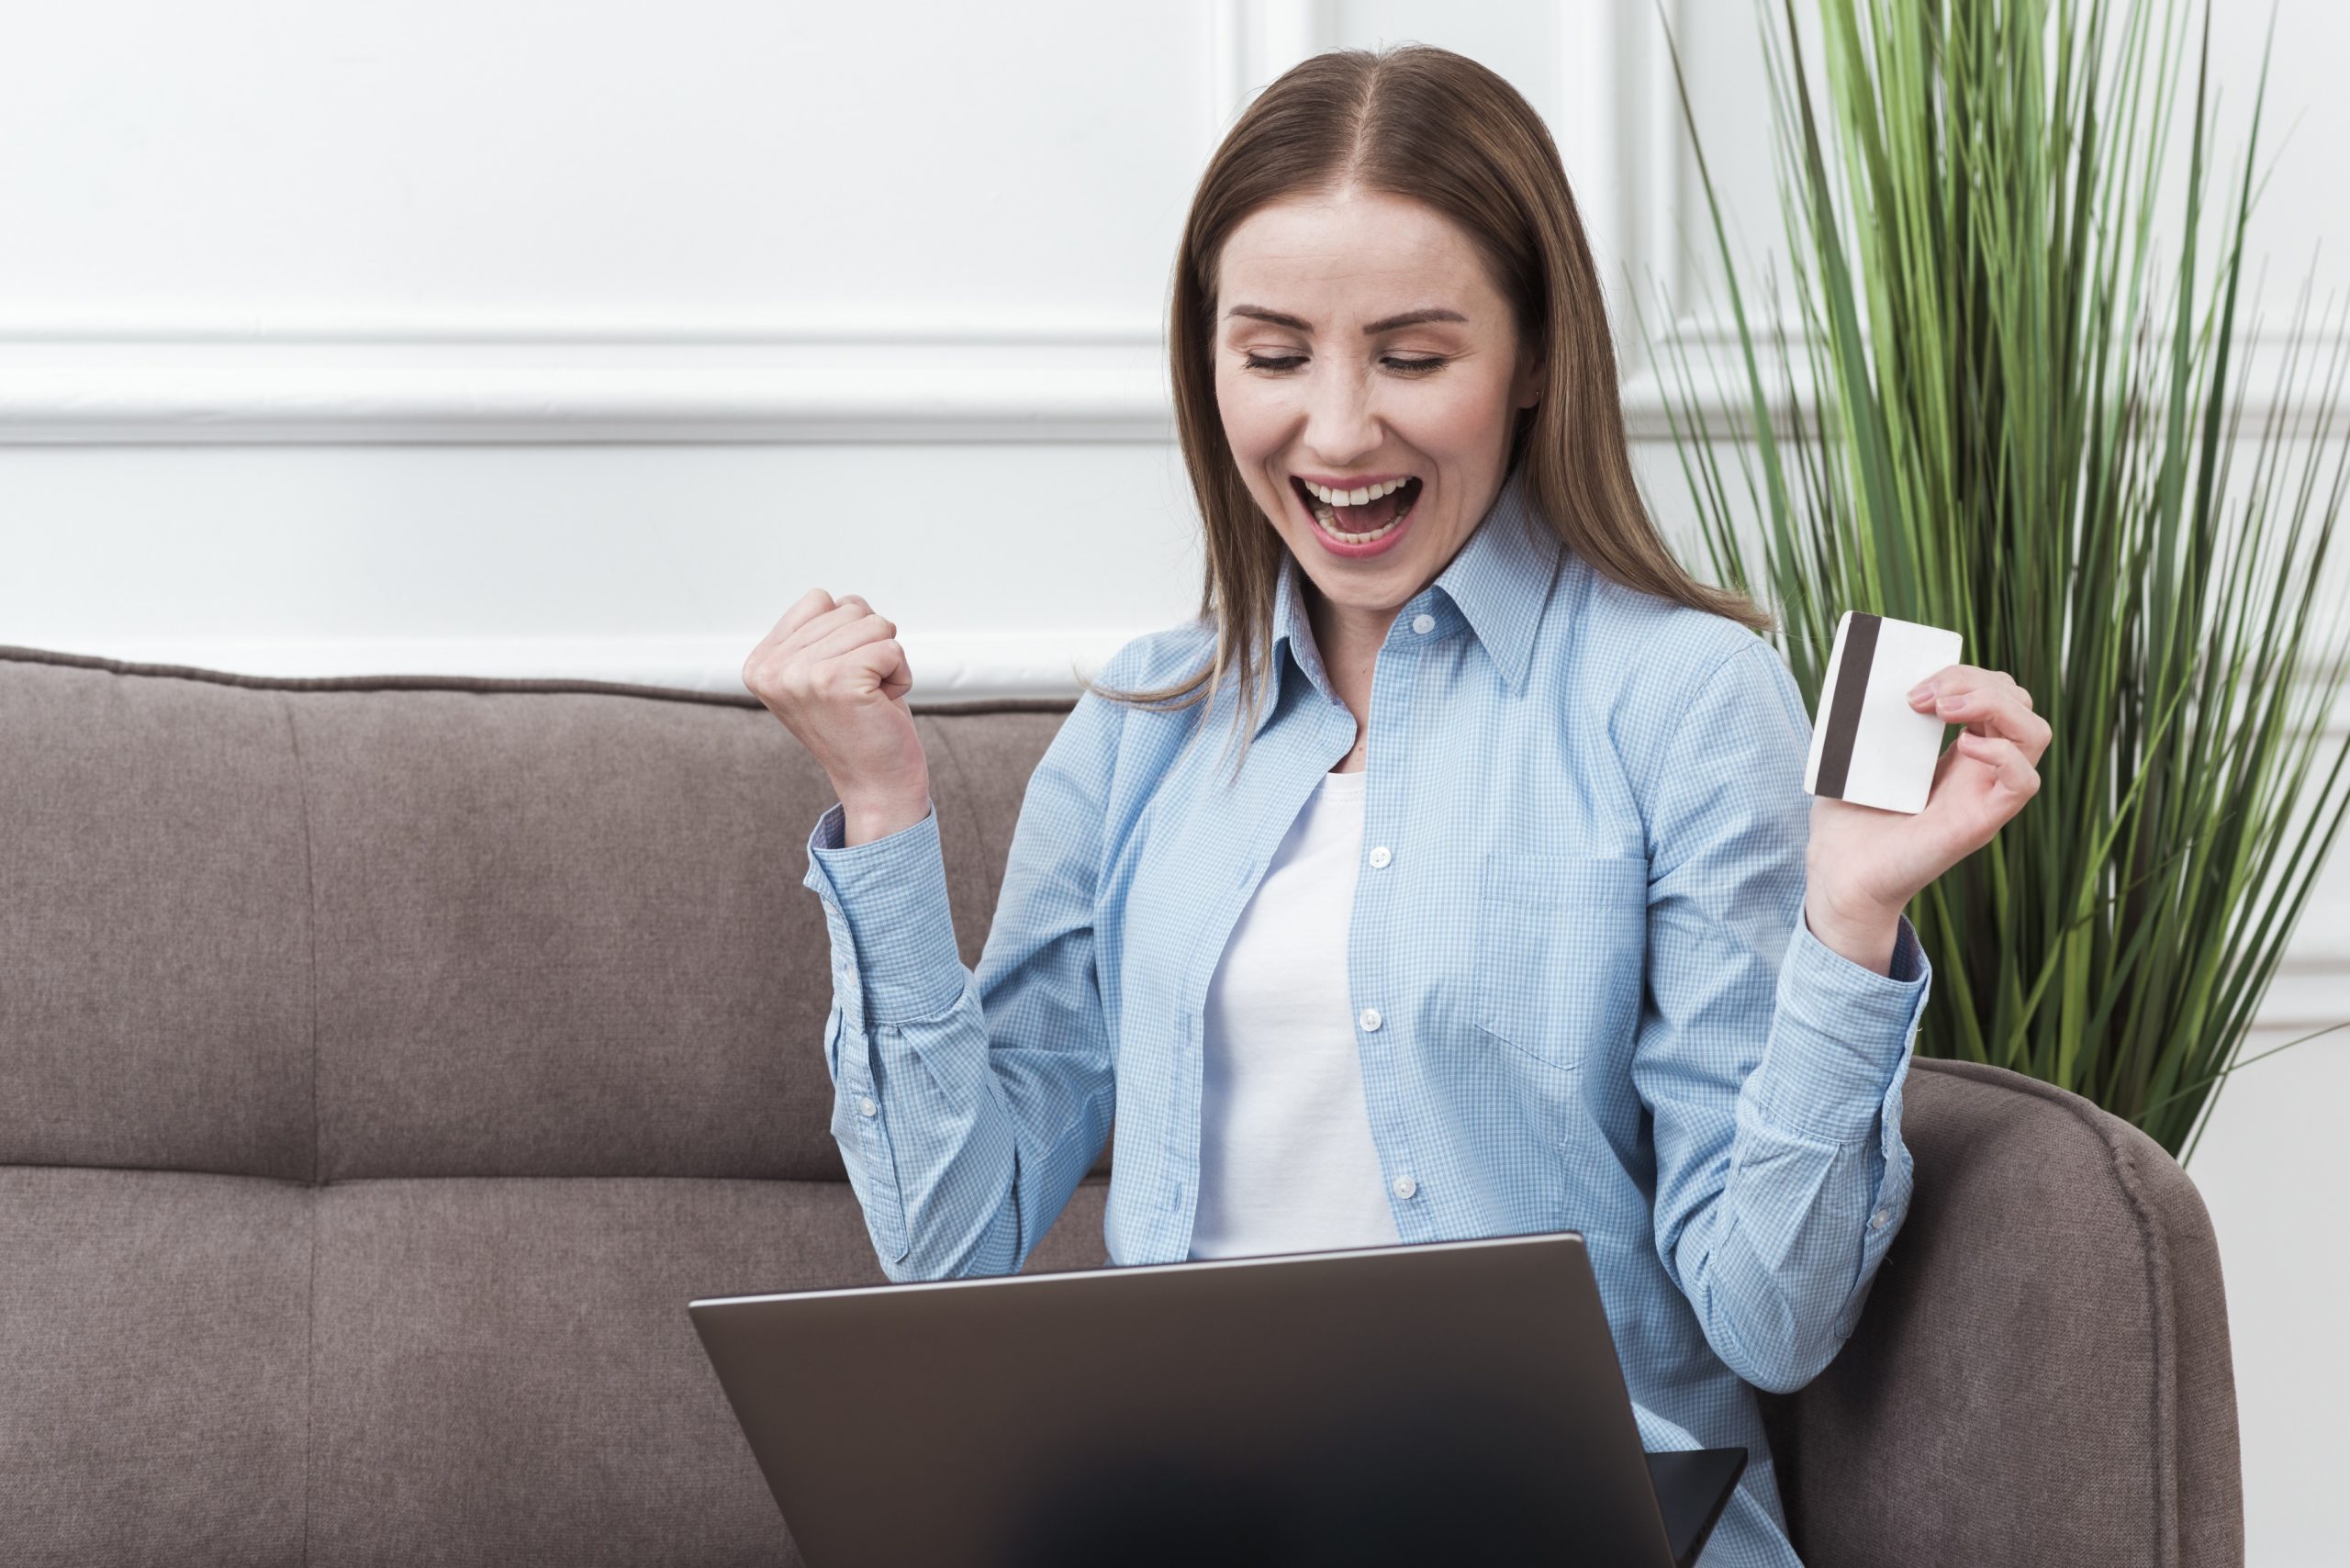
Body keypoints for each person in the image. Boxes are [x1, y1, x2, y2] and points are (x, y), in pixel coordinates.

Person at [742, 42, 2049, 1568]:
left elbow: (1770, 1317)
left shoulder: (1685, 700)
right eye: (1276, 354)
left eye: (1416, 357)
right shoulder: (1144, 730)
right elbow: (950, 1247)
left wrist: (1847, 925)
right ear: (1208, 361)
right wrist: (884, 815)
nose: (1342, 431)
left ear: (1538, 354)